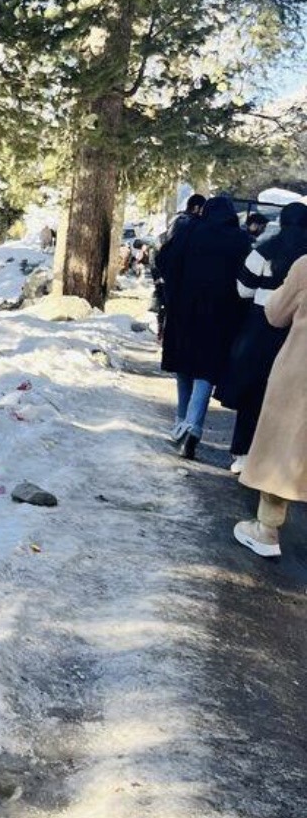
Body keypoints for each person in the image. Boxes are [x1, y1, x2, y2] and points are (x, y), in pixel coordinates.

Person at [153, 194, 250, 459]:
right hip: (221, 316)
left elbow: (164, 260)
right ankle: (193, 425)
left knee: (184, 366)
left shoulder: (190, 231)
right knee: (206, 370)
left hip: (185, 310)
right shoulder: (240, 239)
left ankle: (181, 420)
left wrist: (173, 292)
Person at [219, 203, 307, 475]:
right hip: (297, 331)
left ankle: (242, 453)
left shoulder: (264, 251)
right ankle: (277, 460)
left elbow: (243, 289)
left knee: (252, 393)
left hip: (260, 326)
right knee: (288, 399)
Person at [234, 252, 307, 557]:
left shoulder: (305, 266)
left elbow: (275, 313)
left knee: (283, 445)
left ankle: (266, 530)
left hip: (300, 372)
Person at [153, 194, 206, 338]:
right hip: (180, 276)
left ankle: (164, 333)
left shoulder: (177, 220)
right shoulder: (189, 224)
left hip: (170, 274)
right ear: (196, 208)